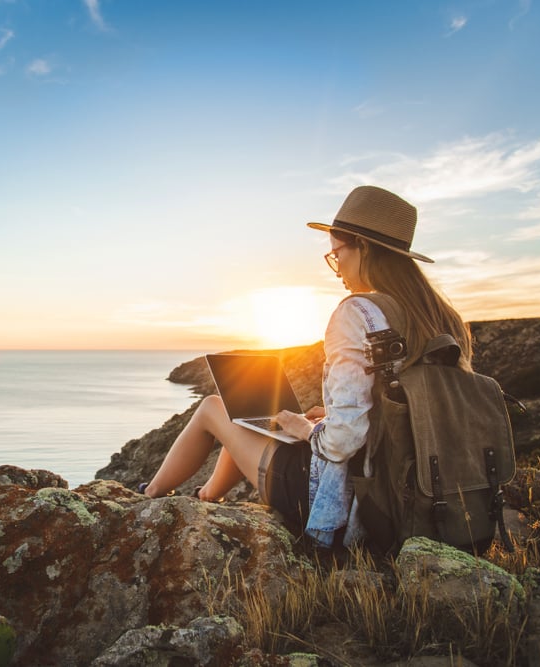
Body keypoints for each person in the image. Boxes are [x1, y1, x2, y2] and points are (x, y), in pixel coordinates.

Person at [141, 185, 472, 548]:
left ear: (362, 246)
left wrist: (305, 429)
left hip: (346, 502)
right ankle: (207, 498)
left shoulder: (356, 313)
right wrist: (329, 416)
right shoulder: (445, 319)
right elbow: (406, 411)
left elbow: (343, 442)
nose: (335, 268)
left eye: (336, 254)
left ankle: (148, 497)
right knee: (250, 418)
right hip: (421, 496)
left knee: (213, 408)